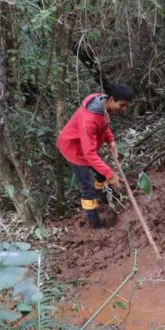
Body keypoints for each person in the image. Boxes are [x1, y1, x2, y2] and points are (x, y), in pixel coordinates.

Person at [56, 83, 133, 228]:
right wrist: (111, 175)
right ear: (111, 99)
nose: (123, 109)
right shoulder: (89, 120)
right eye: (122, 105)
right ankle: (96, 226)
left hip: (86, 147)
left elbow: (104, 124)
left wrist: (110, 140)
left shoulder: (101, 104)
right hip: (74, 150)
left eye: (126, 106)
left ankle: (103, 196)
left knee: (102, 173)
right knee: (88, 188)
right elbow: (89, 154)